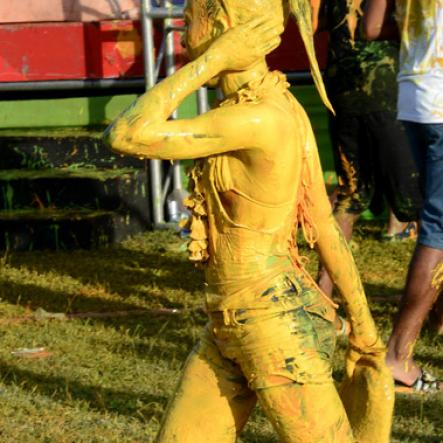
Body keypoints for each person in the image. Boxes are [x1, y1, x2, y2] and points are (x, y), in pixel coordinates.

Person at [104, 1, 393, 440]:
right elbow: (323, 221)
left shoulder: (255, 117)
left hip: (272, 325)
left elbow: (126, 134)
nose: (181, 27)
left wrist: (213, 60)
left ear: (220, 23)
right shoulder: (282, 104)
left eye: (190, 17)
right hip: (231, 320)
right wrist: (366, 329)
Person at [313, 0, 422, 298]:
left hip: (341, 91)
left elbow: (312, 23)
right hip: (386, 92)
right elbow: (372, 28)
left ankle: (322, 296)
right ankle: (436, 311)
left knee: (350, 196)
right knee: (425, 203)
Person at [365, 0, 443, 392]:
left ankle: (436, 324)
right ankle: (397, 356)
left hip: (414, 98)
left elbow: (373, 27)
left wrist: (421, 34)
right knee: (438, 231)